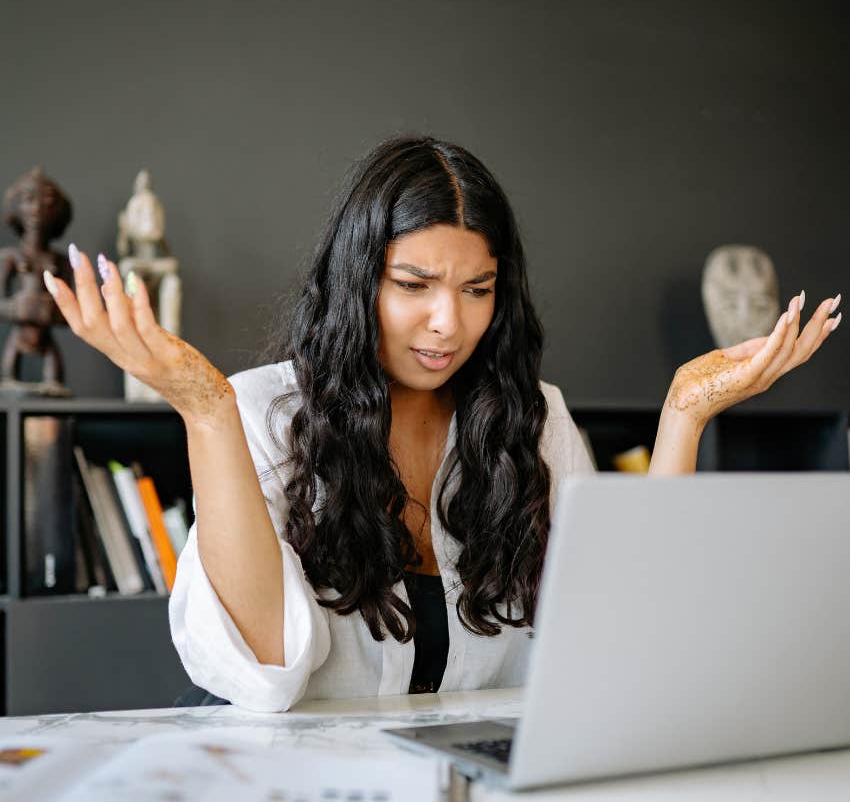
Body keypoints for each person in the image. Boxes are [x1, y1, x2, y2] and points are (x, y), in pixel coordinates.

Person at [42, 136, 841, 712]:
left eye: (477, 289)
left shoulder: (534, 421)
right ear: (359, 281)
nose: (446, 325)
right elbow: (268, 671)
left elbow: (619, 646)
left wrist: (684, 415)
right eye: (414, 283)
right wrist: (206, 411)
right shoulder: (261, 410)